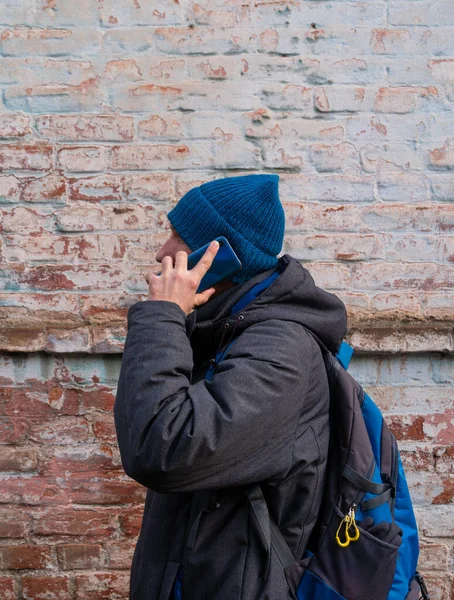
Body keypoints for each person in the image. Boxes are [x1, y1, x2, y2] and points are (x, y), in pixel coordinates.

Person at [113, 173, 348, 599]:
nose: (163, 252)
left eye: (178, 237)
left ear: (220, 257)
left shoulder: (281, 352)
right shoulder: (222, 332)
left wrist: (163, 315)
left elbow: (160, 448)